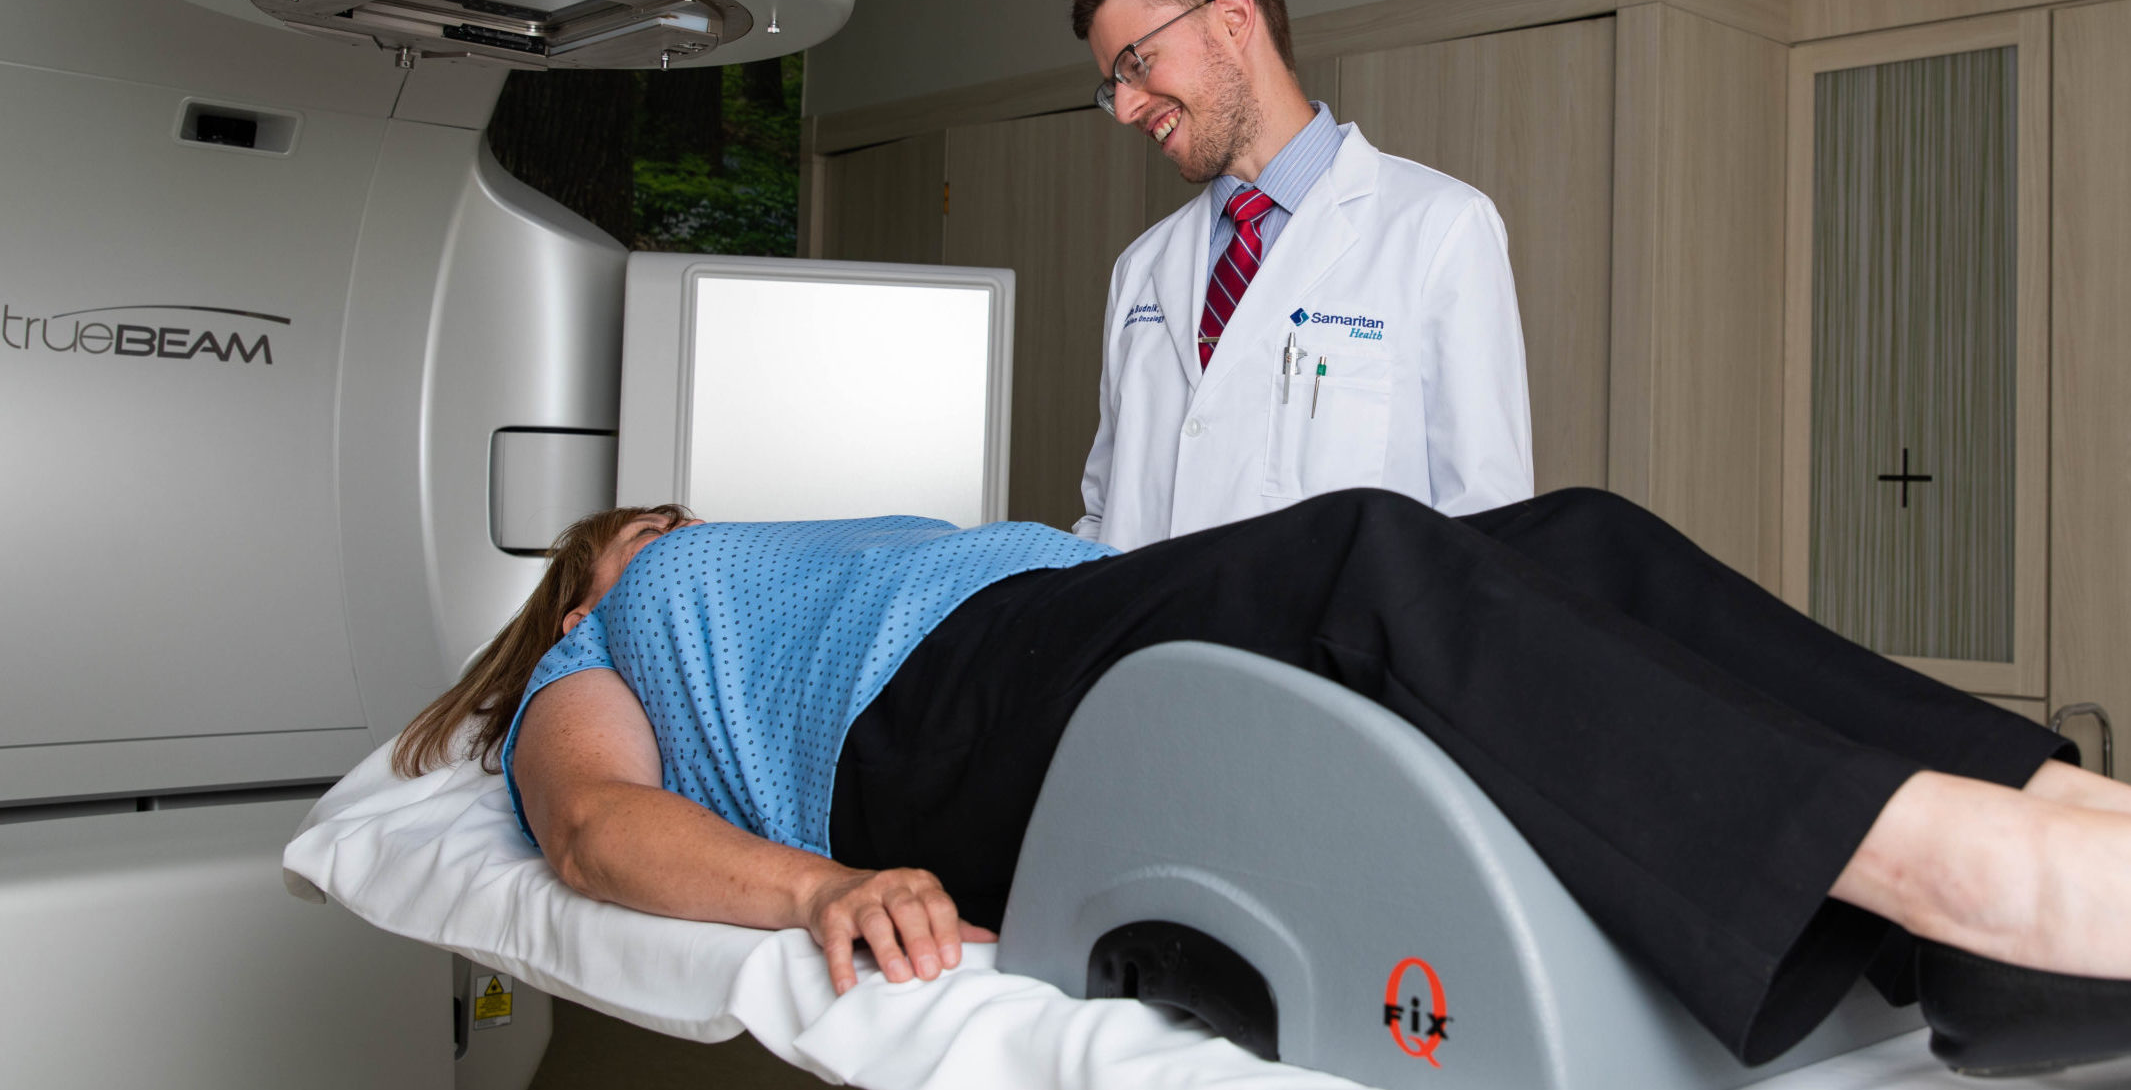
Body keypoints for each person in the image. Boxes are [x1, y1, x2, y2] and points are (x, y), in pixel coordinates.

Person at [397, 492, 2131, 1078]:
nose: (678, 515)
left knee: (1577, 533)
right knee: (1364, 556)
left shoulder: (850, 533)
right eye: (640, 520)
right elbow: (595, 829)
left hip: (1052, 628)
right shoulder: (602, 641)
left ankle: (2034, 810)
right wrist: (811, 890)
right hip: (931, 731)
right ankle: (1961, 873)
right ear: (581, 573)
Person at [1071, 0, 1533, 552]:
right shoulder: (1141, 269)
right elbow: (1103, 515)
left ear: (1232, 19)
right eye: (1112, 87)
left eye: (1137, 64)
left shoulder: (1440, 231)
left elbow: (1486, 531)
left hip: (1313, 655)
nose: (1124, 108)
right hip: (1146, 649)